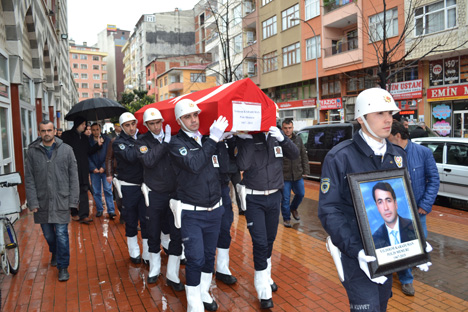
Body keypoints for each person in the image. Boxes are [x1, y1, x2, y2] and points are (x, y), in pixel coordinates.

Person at [318, 88, 409, 312]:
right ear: (361, 118)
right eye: (380, 113)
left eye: (390, 112)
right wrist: (357, 250)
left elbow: (404, 202)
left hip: (387, 252)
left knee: (382, 304)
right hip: (356, 255)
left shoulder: (397, 155)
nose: (389, 119)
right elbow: (329, 210)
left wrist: (413, 242)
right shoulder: (340, 157)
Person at [168, 99, 228, 312]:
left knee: (209, 257)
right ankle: (194, 304)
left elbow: (223, 170)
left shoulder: (206, 140)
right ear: (179, 120)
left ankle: (203, 292)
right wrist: (213, 139)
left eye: (196, 115)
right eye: (187, 117)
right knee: (195, 258)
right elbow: (194, 165)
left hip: (214, 210)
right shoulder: (176, 144)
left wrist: (224, 141)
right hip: (192, 213)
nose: (194, 120)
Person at [236, 124, 299, 309]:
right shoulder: (247, 137)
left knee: (270, 240)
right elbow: (242, 165)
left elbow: (294, 154)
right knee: (260, 242)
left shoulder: (275, 135)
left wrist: (282, 138)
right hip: (254, 198)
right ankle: (263, 289)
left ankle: (267, 276)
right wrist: (246, 140)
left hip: (274, 196)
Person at [388, 120, 439, 296]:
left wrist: (425, 204)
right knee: (400, 243)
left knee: (418, 243)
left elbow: (433, 180)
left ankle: (406, 266)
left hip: (418, 210)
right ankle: (406, 279)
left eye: (388, 136)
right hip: (396, 210)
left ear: (397, 135)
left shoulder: (423, 153)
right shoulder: (386, 154)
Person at [25, 120, 79, 282]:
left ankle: (63, 267)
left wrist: (73, 201)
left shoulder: (67, 150)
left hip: (61, 200)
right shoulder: (33, 152)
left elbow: (73, 177)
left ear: (55, 131)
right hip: (42, 203)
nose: (47, 133)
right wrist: (33, 202)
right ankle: (54, 251)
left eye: (49, 130)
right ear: (39, 132)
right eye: (43, 131)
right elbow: (29, 179)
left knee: (62, 234)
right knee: (49, 235)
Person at [137, 108, 184, 291]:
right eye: (152, 123)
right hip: (155, 193)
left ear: (163, 121)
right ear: (147, 125)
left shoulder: (173, 137)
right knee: (153, 230)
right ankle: (155, 267)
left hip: (174, 193)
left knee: (177, 232)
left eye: (158, 122)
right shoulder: (142, 141)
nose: (156, 127)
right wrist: (164, 143)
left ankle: (172, 272)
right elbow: (148, 160)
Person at [113, 112, 148, 264]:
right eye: (127, 125)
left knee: (147, 220)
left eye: (133, 124)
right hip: (129, 187)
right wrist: (143, 149)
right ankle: (133, 250)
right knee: (131, 219)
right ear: (121, 127)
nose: (131, 128)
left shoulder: (142, 138)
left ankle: (147, 251)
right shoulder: (118, 142)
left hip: (145, 186)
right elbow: (131, 157)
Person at [61, 116, 102, 224]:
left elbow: (89, 151)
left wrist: (98, 145)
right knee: (73, 191)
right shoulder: (67, 136)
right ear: (78, 124)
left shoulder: (84, 138)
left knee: (84, 191)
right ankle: (74, 212)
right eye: (83, 124)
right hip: (70, 168)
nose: (85, 126)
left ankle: (84, 215)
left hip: (83, 169)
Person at [280, 118, 310, 228]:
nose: (288, 130)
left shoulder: (298, 139)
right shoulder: (279, 140)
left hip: (297, 174)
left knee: (301, 194)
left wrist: (306, 170)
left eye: (290, 128)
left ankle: (293, 208)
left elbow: (303, 155)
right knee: (285, 198)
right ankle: (286, 219)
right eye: (285, 128)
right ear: (282, 129)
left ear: (293, 128)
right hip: (284, 175)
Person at [371, 182, 417, 249]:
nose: (386, 208)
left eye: (388, 200)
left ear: (395, 203)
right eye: (380, 202)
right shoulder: (375, 239)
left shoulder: (413, 227)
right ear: (377, 207)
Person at [89, 123, 116, 219]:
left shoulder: (107, 140)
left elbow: (110, 156)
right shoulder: (89, 141)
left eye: (97, 129)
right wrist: (93, 168)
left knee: (108, 190)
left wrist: (104, 167)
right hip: (94, 171)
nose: (96, 132)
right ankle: (100, 209)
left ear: (100, 129)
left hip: (105, 170)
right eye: (94, 130)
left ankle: (111, 210)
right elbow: (87, 156)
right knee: (96, 191)